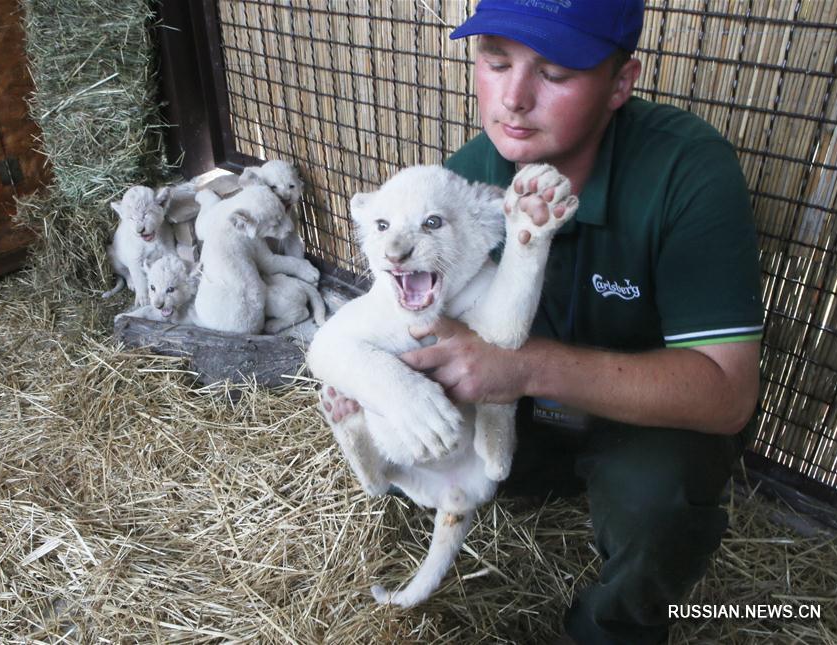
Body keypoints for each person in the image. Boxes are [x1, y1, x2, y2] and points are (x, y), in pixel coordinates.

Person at [323, 1, 763, 642]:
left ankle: (607, 629)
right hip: (515, 433)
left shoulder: (687, 173)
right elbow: (399, 325)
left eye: (554, 73)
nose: (514, 99)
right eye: (496, 63)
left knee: (657, 496)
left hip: (632, 424)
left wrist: (523, 368)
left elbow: (727, 396)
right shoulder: (467, 178)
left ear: (620, 83)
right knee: (393, 402)